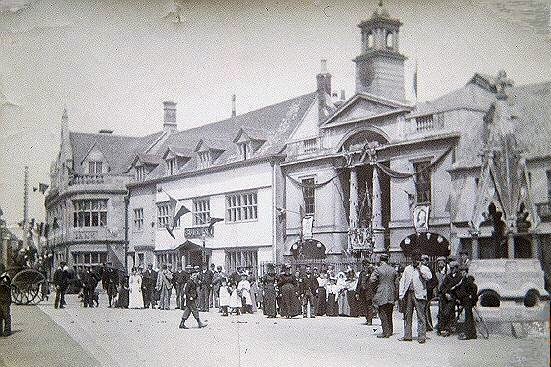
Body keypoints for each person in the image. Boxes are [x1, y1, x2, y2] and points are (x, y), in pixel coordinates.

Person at [398, 252, 433, 344]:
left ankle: (421, 336)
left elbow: (429, 277)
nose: (415, 261)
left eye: (417, 259)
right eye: (413, 259)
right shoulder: (407, 269)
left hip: (419, 294)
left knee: (421, 316)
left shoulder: (424, 268)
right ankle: (407, 335)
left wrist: (420, 269)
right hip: (409, 294)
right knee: (407, 315)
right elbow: (402, 281)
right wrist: (401, 294)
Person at [370, 253, 397, 338]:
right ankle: (390, 330)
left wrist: (376, 288)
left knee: (382, 312)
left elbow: (372, 280)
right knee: (389, 313)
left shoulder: (378, 270)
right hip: (391, 292)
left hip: (381, 293)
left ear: (380, 260)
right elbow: (397, 283)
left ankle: (385, 332)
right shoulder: (393, 270)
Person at [438, 261, 462, 336]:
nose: (451, 270)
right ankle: (443, 329)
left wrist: (452, 295)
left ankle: (447, 328)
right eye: (450, 268)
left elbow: (459, 288)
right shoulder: (448, 276)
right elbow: (442, 287)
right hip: (446, 296)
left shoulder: (459, 277)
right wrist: (446, 293)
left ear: (456, 268)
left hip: (453, 297)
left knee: (447, 311)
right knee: (442, 311)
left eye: (453, 268)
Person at [455, 265, 478, 340]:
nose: (462, 273)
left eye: (463, 272)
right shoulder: (463, 279)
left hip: (468, 300)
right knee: (469, 316)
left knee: (468, 317)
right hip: (465, 300)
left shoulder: (468, 279)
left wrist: (471, 295)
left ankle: (469, 334)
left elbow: (474, 287)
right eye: (461, 272)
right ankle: (473, 334)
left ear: (466, 272)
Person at [421, 254, 438, 331]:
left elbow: (435, 281)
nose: (422, 261)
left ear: (427, 260)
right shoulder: (422, 268)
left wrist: (429, 288)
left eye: (423, 260)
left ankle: (428, 325)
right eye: (422, 260)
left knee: (426, 308)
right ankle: (426, 325)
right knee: (423, 308)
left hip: (428, 292)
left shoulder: (430, 269)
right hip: (423, 291)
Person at [355, 259, 375, 325]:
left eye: (366, 265)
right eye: (364, 265)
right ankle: (367, 318)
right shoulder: (362, 272)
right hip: (362, 291)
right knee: (364, 306)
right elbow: (359, 282)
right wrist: (357, 292)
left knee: (369, 305)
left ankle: (370, 320)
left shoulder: (371, 272)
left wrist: (371, 268)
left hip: (369, 291)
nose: (365, 266)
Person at [0, 264, 11, 337]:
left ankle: (7, 330)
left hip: (5, 299)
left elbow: (7, 285)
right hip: (1, 298)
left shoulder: (5, 277)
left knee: (6, 315)